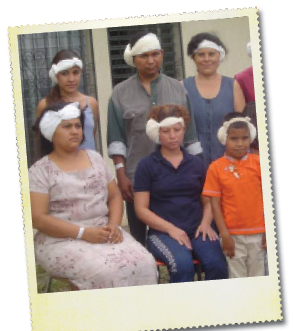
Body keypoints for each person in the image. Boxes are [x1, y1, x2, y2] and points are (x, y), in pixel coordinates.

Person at [29, 101, 157, 290]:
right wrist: (83, 233)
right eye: (67, 126)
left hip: (104, 231)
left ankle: (137, 317)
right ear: (51, 132)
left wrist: (113, 224)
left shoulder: (95, 158)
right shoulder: (40, 171)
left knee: (145, 263)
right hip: (60, 240)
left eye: (78, 126)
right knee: (105, 272)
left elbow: (114, 197)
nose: (75, 131)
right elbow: (38, 218)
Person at [107, 31, 202, 246]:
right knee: (139, 237)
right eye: (143, 56)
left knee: (180, 230)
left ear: (162, 54)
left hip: (177, 176)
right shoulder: (120, 93)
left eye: (155, 54)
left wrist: (199, 172)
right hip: (135, 176)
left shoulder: (178, 89)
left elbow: (190, 136)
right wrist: (121, 173)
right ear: (133, 59)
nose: (150, 61)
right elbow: (117, 138)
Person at [133, 105, 228, 283]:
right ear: (157, 133)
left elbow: (208, 202)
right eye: (166, 131)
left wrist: (206, 223)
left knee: (218, 265)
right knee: (183, 266)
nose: (172, 135)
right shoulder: (146, 165)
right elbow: (141, 209)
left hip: (198, 229)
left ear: (184, 129)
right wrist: (171, 229)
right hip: (163, 233)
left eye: (177, 130)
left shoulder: (196, 164)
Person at [202, 111, 266, 278]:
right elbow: (214, 204)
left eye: (244, 138)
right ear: (224, 139)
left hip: (259, 233)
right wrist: (224, 234)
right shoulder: (215, 168)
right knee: (237, 278)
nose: (240, 144)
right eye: (234, 139)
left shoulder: (260, 163)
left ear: (251, 137)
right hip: (233, 235)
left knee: (258, 276)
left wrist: (268, 230)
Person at [183, 32, 246, 170]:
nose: (206, 59)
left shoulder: (232, 85)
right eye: (201, 54)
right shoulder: (183, 87)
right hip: (192, 165)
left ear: (219, 56)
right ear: (193, 57)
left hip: (229, 164)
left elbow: (243, 127)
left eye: (211, 54)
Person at [36, 50, 99, 151]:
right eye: (64, 73)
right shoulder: (45, 104)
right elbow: (42, 142)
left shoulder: (91, 103)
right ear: (56, 76)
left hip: (88, 163)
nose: (71, 79)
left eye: (75, 73)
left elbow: (90, 136)